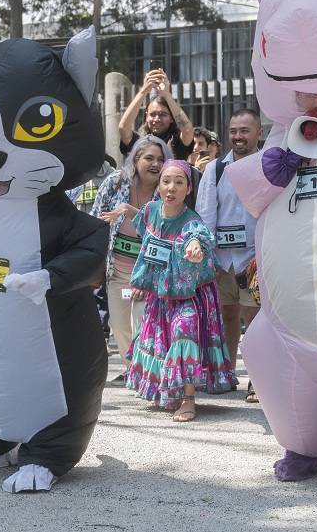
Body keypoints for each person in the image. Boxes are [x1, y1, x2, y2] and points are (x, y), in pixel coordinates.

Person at [126, 159, 237, 422]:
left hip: (192, 294)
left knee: (183, 331)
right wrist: (123, 209)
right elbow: (144, 230)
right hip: (162, 294)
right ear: (159, 185)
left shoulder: (191, 220)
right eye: (166, 181)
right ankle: (168, 388)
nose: (171, 188)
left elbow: (196, 235)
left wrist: (195, 246)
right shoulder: (151, 210)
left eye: (179, 182)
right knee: (163, 339)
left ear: (188, 189)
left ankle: (188, 400)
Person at [196, 109, 264, 402]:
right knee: (226, 316)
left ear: (258, 134)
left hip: (254, 258)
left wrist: (264, 254)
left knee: (256, 319)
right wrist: (209, 258)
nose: (238, 136)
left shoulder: (269, 166)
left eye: (245, 130)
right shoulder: (215, 169)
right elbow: (206, 214)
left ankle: (258, 380)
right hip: (222, 259)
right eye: (234, 130)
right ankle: (226, 373)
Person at [91, 135, 168, 378]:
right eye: (149, 158)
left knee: (141, 322)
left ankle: (148, 376)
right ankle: (133, 371)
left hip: (148, 276)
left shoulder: (166, 190)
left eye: (160, 159)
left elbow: (164, 229)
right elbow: (96, 219)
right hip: (118, 275)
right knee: (119, 325)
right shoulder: (115, 182)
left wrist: (128, 210)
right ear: (135, 160)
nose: (155, 164)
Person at [118, 68, 195, 162]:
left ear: (172, 118)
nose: (157, 119)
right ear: (146, 117)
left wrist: (167, 95)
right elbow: (123, 127)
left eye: (163, 114)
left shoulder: (178, 142)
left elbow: (187, 130)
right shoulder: (138, 141)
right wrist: (144, 91)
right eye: (152, 114)